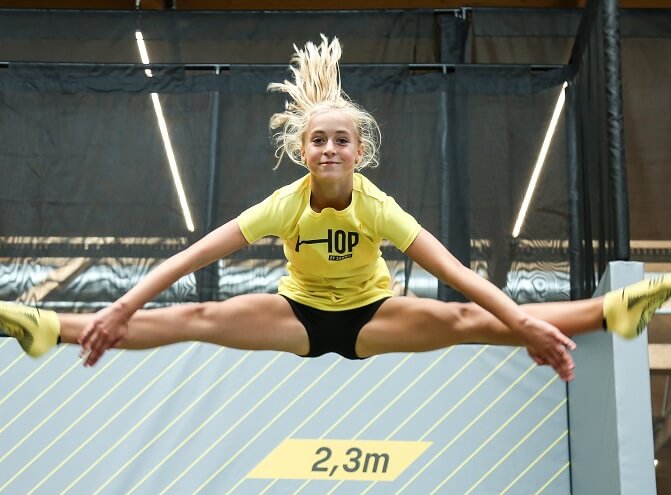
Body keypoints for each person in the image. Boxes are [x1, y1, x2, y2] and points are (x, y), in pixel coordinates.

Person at [1, 35, 669, 383]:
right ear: (302, 150)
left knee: (469, 319)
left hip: (371, 316)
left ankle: (609, 312)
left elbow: (458, 275)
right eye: (318, 139)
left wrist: (522, 324)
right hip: (295, 314)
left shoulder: (375, 206)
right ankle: (50, 327)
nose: (328, 148)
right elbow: (191, 257)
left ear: (359, 152)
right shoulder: (284, 204)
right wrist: (121, 306)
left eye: (340, 140)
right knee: (195, 316)